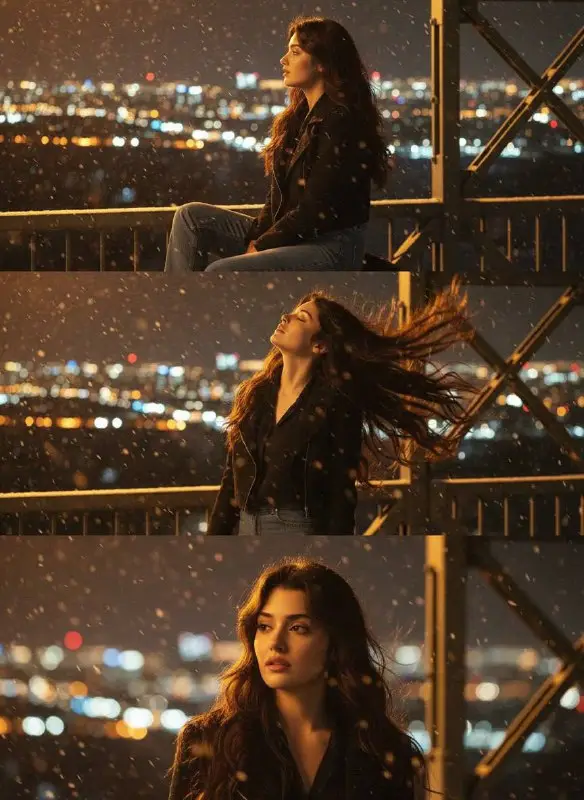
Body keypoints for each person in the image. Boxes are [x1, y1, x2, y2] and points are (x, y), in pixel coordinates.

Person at [207, 280, 476, 535]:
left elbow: (340, 492)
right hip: (245, 526)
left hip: (296, 529)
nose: (285, 318)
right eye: (291, 313)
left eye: (302, 318)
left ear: (320, 345)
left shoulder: (336, 403)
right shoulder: (255, 394)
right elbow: (232, 478)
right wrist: (215, 538)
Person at [168, 557, 426, 800]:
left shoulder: (384, 752)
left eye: (298, 628)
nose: (276, 644)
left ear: (335, 642)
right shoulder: (210, 741)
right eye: (265, 626)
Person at [164, 16, 390, 273]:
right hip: (295, 235)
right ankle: (181, 289)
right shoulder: (298, 118)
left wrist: (262, 245)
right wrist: (259, 236)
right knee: (189, 217)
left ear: (322, 63)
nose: (284, 60)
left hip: (330, 247)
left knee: (221, 271)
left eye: (295, 52)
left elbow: (317, 208)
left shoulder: (341, 122)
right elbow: (278, 198)